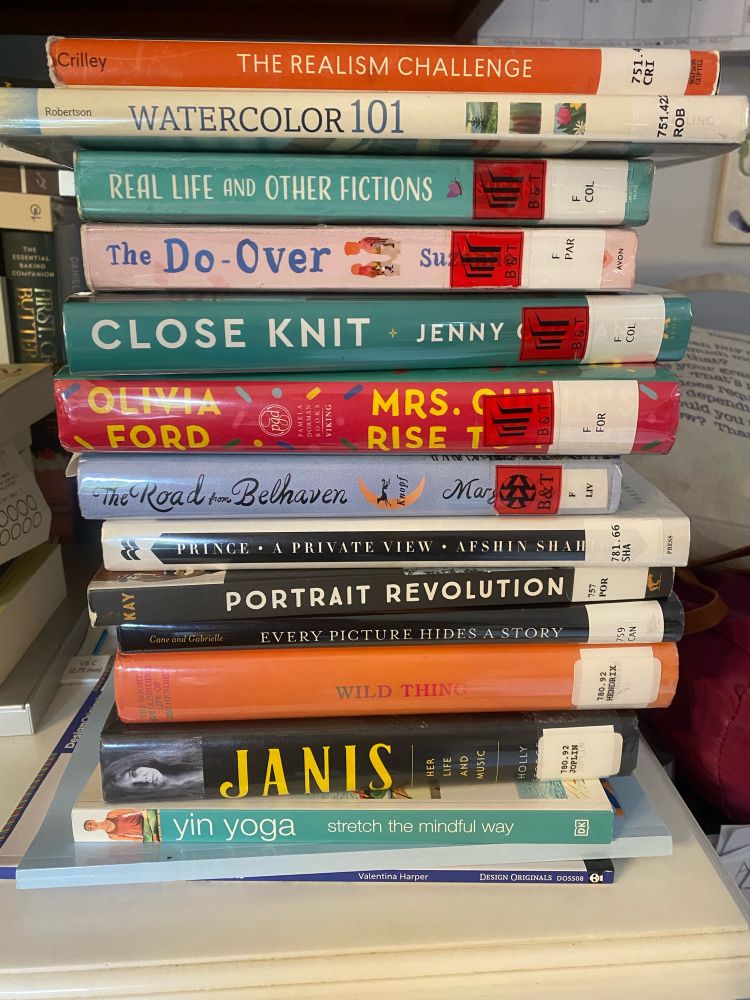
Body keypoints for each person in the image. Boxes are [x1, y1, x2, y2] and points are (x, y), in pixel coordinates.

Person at [101, 741, 204, 801]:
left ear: (137, 764)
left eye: (134, 774)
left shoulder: (185, 752)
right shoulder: (182, 799)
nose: (143, 780)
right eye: (136, 785)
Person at [83, 809, 157, 842]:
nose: (92, 826)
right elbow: (129, 838)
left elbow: (128, 810)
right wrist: (145, 840)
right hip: (145, 831)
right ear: (93, 830)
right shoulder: (112, 836)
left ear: (92, 820)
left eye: (90, 823)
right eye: (90, 828)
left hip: (144, 818)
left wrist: (142, 811)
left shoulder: (111, 814)